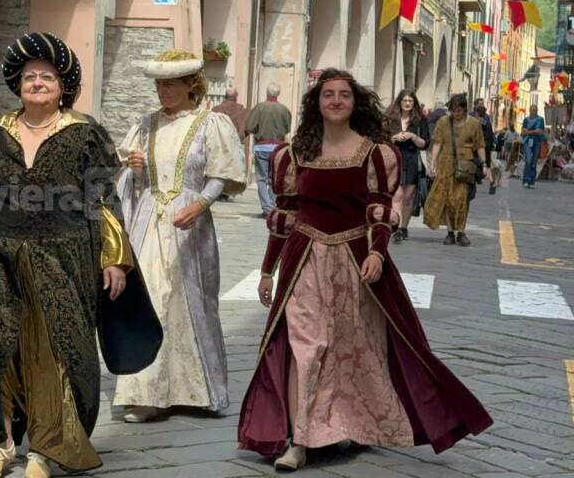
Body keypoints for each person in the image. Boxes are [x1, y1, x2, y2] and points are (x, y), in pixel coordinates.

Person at [0, 32, 160, 478]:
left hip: (65, 258)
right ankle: (0, 443)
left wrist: (114, 257)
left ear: (63, 85)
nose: (37, 82)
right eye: (30, 76)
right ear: (17, 83)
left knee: (55, 349)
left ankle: (48, 447)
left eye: (47, 76)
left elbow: (102, 198)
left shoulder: (85, 133)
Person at [238, 69, 492, 472]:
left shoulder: (375, 153)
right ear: (316, 103)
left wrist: (377, 252)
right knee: (307, 348)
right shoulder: (294, 154)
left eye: (343, 95)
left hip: (357, 264)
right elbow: (284, 217)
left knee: (351, 351)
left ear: (354, 103)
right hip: (304, 260)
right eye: (328, 95)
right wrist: (268, 271)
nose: (336, 101)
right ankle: (299, 439)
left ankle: (346, 423)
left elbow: (378, 212)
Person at [113, 50, 246, 423]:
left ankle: (196, 391)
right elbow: (134, 182)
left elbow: (221, 173)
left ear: (192, 85)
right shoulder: (145, 124)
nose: (162, 91)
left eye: (169, 83)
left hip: (190, 222)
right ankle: (148, 394)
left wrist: (200, 204)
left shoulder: (211, 123)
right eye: (158, 84)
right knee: (150, 298)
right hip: (149, 221)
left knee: (190, 302)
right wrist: (136, 169)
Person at [423, 94, 491, 246]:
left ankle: (461, 231)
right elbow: (437, 144)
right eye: (453, 110)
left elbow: (480, 145)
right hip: (445, 163)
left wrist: (485, 164)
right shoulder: (443, 122)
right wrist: (432, 162)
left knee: (461, 200)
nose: (456, 114)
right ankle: (449, 233)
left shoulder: (474, 123)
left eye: (459, 111)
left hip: (465, 166)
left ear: (465, 110)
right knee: (447, 199)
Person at [385, 89, 429, 243]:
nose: (408, 103)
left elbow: (425, 143)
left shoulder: (420, 120)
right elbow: (381, 140)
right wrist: (394, 138)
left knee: (409, 196)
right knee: (397, 195)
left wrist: (412, 136)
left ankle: (404, 227)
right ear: (399, 101)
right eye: (405, 100)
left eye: (410, 101)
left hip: (411, 159)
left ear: (414, 103)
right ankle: (396, 227)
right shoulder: (390, 118)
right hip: (394, 158)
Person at [245, 84, 292, 218]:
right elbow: (287, 128)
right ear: (278, 94)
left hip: (261, 146)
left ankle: (267, 208)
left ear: (267, 93)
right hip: (278, 148)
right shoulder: (284, 109)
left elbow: (250, 127)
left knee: (261, 179)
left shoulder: (259, 108)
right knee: (273, 179)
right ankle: (272, 206)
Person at [470, 98, 497, 194]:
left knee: (486, 165)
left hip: (485, 145)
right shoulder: (471, 115)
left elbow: (489, 130)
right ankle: (476, 180)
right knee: (473, 163)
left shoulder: (486, 117)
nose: (481, 105)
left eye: (482, 103)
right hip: (474, 144)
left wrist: (492, 143)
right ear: (475, 105)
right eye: (479, 104)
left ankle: (492, 183)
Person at [521, 104, 546, 189]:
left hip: (537, 142)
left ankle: (532, 181)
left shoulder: (540, 119)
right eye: (531, 109)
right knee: (528, 160)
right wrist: (532, 132)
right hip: (527, 141)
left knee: (534, 162)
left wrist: (529, 132)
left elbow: (540, 131)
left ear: (537, 110)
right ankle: (526, 180)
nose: (533, 111)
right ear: (529, 110)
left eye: (535, 109)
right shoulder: (526, 120)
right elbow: (523, 132)